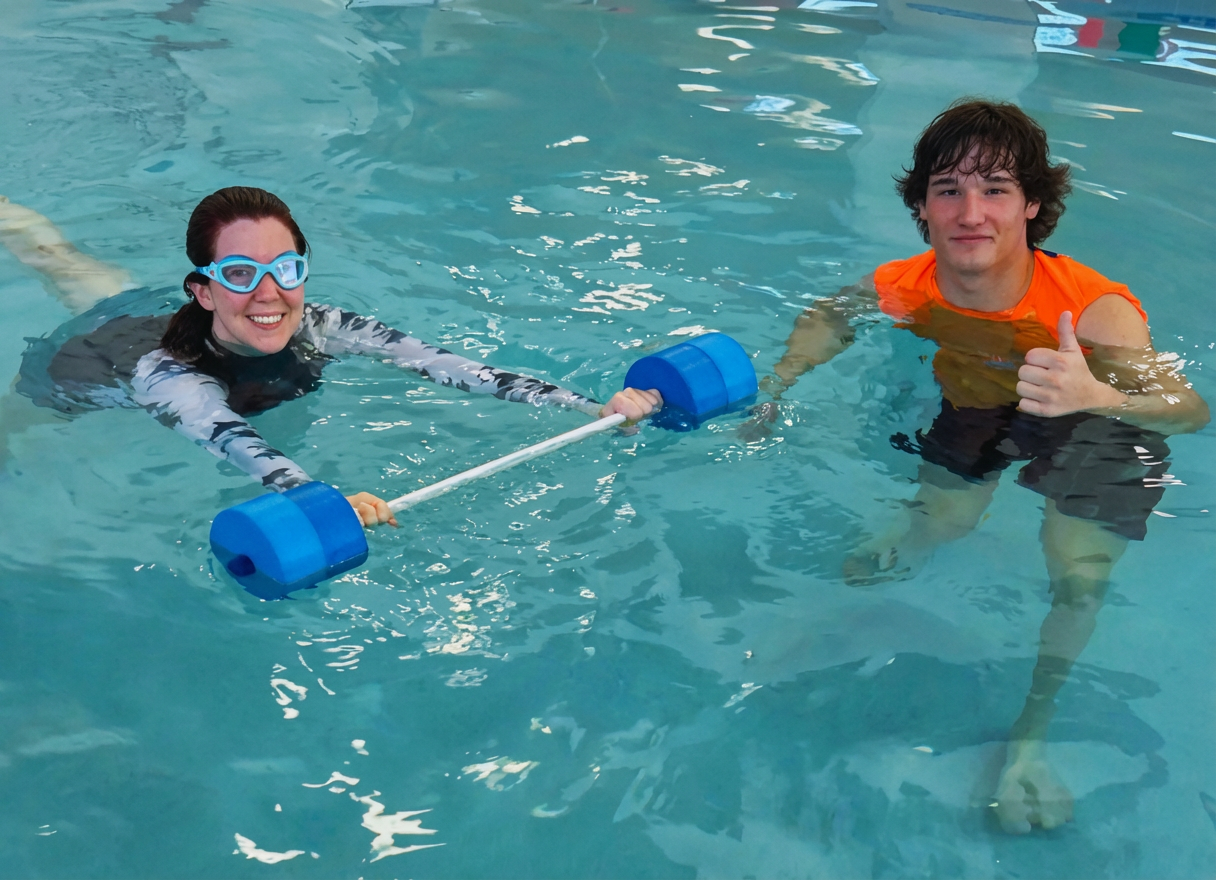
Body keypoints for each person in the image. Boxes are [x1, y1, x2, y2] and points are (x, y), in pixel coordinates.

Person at [749, 100, 1208, 833]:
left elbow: (1187, 408)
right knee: (941, 522)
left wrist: (1097, 392)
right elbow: (831, 314)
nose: (971, 211)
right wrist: (777, 385)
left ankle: (1030, 736)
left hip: (1099, 426)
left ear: (1031, 204)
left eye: (994, 188)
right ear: (922, 207)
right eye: (948, 189)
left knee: (1076, 576)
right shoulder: (909, 285)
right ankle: (907, 553)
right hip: (982, 404)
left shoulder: (1094, 310)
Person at [1, 187, 661, 526]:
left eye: (285, 268)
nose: (269, 292)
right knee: (15, 436)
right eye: (239, 273)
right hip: (85, 372)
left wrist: (591, 407)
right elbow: (235, 442)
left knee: (68, 266)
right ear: (204, 289)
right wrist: (322, 500)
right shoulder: (169, 379)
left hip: (160, 318)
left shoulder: (322, 326)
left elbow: (462, 370)